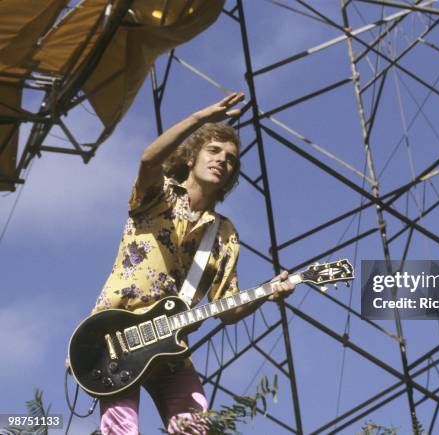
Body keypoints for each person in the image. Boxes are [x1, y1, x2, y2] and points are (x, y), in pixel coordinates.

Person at [89, 92, 295, 434]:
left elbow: (226, 310)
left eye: (230, 158)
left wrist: (267, 293)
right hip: (116, 336)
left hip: (170, 349)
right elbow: (147, 160)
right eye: (213, 151)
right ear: (191, 156)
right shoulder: (161, 196)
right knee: (121, 429)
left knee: (198, 428)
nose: (222, 160)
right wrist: (199, 119)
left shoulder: (225, 234)